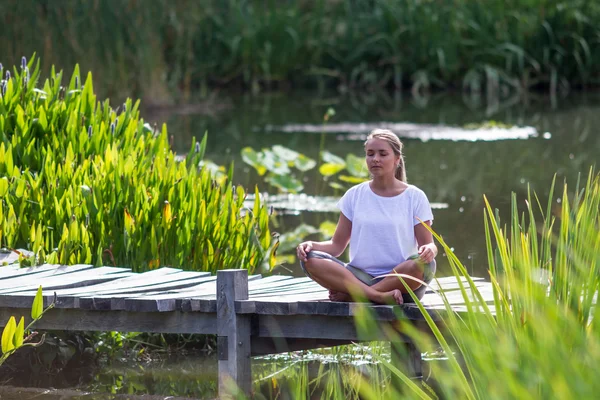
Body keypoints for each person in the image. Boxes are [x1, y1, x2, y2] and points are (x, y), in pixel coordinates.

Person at [296, 129, 437, 305]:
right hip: (358, 277)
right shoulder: (354, 195)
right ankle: (376, 296)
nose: (375, 159)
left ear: (397, 159)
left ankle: (356, 296)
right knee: (310, 259)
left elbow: (427, 244)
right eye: (370, 154)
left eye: (382, 154)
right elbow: (337, 246)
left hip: (401, 283)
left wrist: (431, 248)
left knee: (424, 265)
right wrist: (311, 245)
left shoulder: (415, 196)